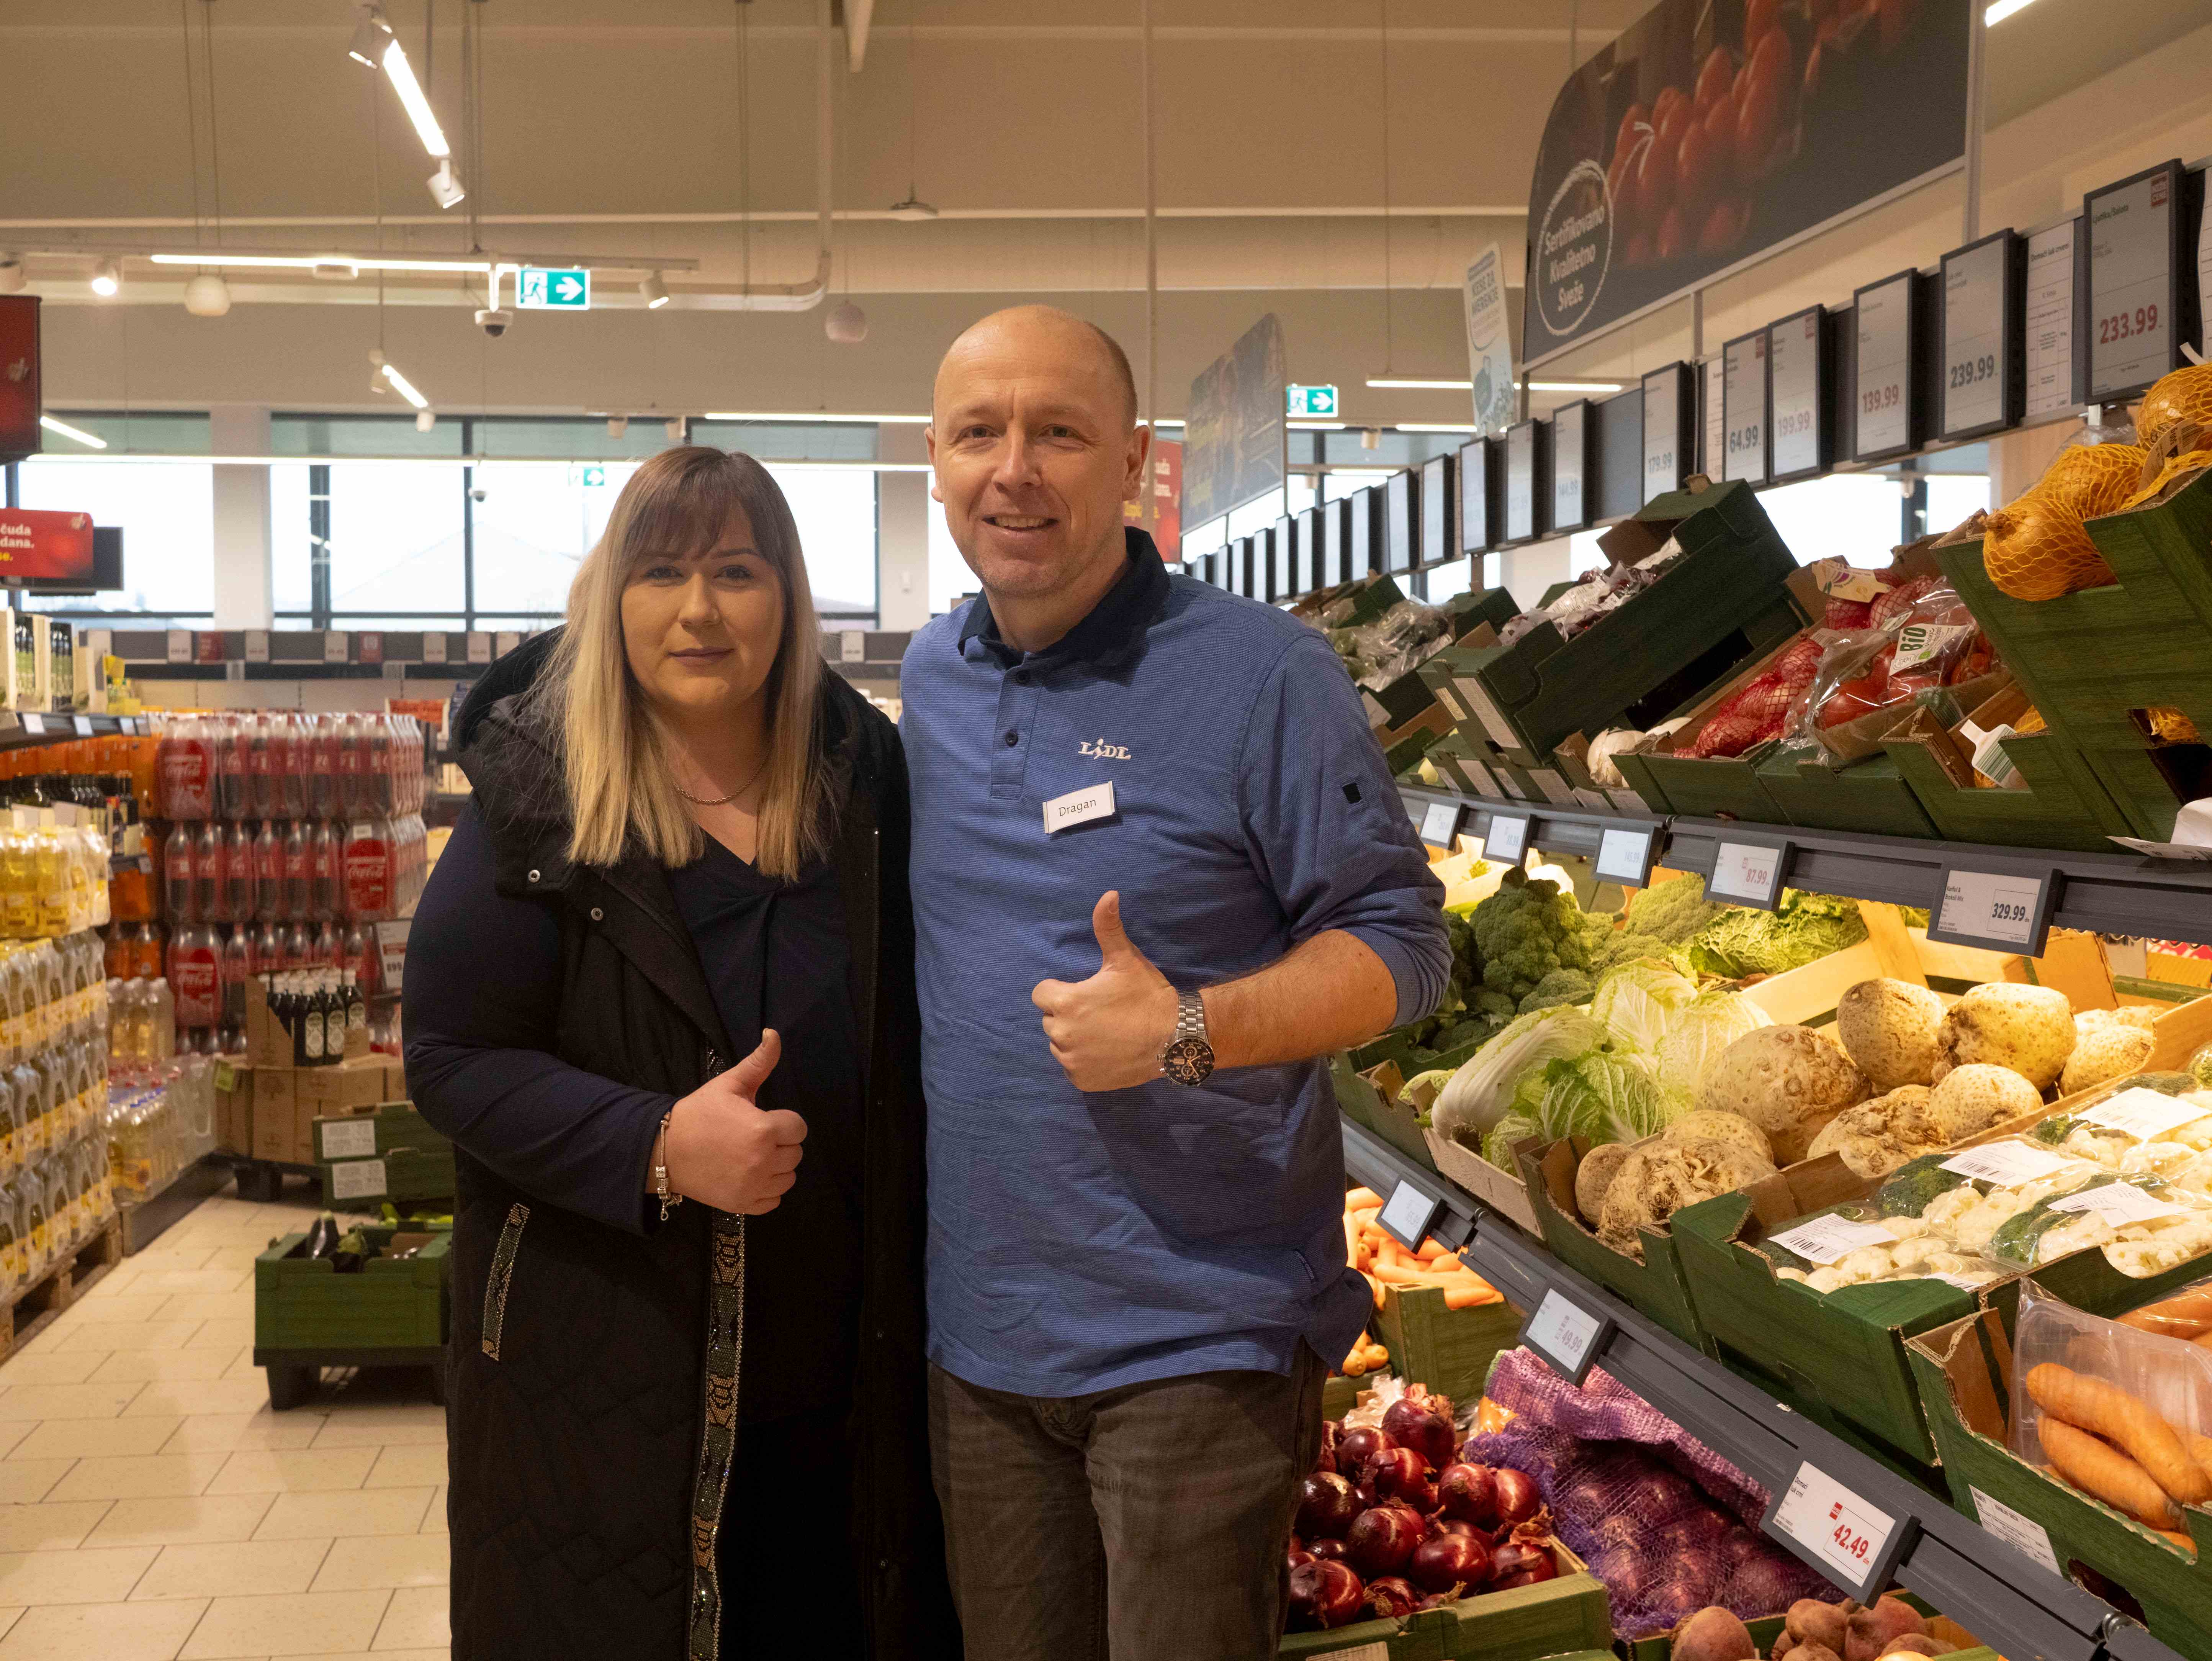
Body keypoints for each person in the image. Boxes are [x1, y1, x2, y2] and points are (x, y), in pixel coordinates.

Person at [903, 305, 1452, 1658]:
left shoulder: (1264, 674)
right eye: (978, 433)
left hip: (1198, 1341)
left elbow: (1404, 947)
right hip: (981, 1340)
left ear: (1136, 461)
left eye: (1058, 432)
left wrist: (1188, 1029)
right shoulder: (933, 674)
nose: (1014, 470)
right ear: (935, 460)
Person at [403, 447, 957, 1661]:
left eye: (736, 573)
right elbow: (448, 1055)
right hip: (606, 1376)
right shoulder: (541, 794)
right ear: (612, 600)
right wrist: (655, 1143)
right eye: (661, 574)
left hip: (840, 1378)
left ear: (788, 599)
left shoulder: (864, 784)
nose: (699, 609)